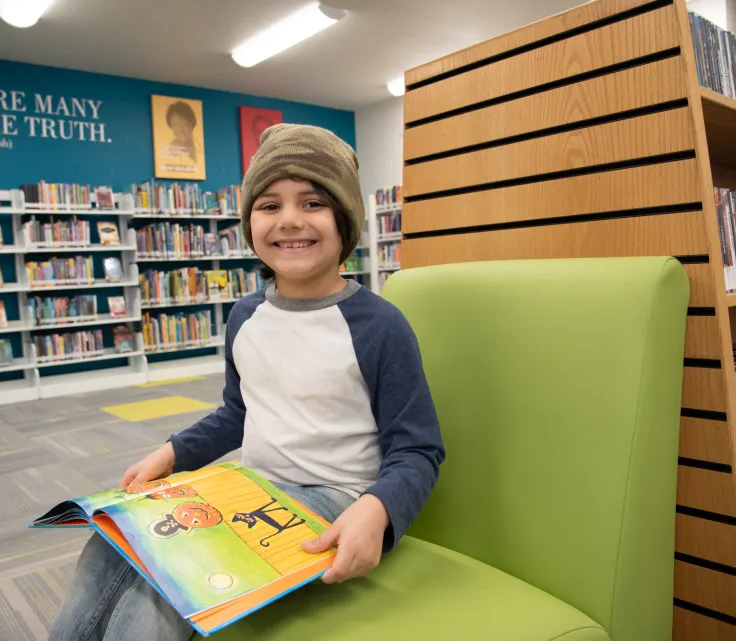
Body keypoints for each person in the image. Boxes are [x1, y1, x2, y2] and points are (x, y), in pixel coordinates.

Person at [48, 123, 446, 641]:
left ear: (344, 219)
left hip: (332, 497)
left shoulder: (380, 326)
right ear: (250, 221)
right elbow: (238, 412)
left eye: (313, 203)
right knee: (116, 537)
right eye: (269, 205)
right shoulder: (245, 316)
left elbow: (418, 448)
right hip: (250, 488)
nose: (290, 221)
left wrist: (379, 508)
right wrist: (173, 453)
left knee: (177, 571)